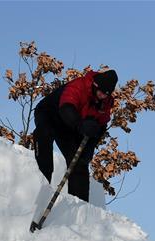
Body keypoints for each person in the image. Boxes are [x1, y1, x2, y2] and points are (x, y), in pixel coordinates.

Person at [32, 69, 118, 204]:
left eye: (106, 94)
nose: (102, 95)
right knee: (44, 133)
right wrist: (81, 125)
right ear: (95, 85)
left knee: (79, 161)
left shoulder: (105, 102)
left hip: (70, 126)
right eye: (101, 91)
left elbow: (100, 127)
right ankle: (40, 184)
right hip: (51, 113)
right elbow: (66, 108)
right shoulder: (80, 85)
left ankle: (78, 206)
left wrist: (89, 148)